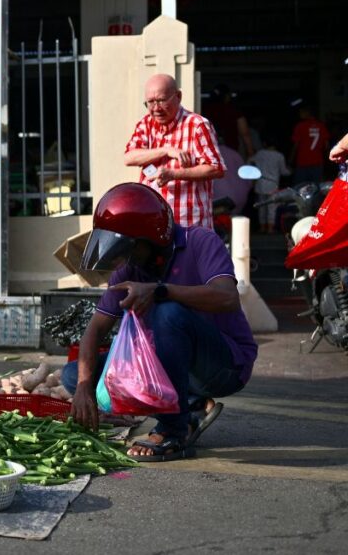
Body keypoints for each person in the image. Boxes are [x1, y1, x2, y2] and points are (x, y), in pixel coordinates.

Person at [63, 183, 257, 461]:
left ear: (150, 239)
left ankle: (173, 431)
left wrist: (160, 290)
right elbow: (96, 329)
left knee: (168, 313)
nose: (123, 260)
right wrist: (83, 388)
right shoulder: (130, 269)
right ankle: (191, 406)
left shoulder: (200, 242)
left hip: (222, 366)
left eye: (127, 249)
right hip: (169, 364)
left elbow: (227, 298)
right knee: (75, 374)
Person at [123, 73, 226, 228]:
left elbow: (216, 168)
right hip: (154, 225)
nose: (156, 108)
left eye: (162, 101)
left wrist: (174, 174)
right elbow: (129, 157)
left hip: (189, 225)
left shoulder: (197, 125)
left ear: (178, 96)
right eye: (150, 102)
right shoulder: (146, 124)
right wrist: (165, 150)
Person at [249, 135, 290, 233]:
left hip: (260, 183)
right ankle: (270, 228)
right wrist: (291, 171)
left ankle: (262, 227)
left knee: (261, 207)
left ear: (264, 144)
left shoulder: (259, 153)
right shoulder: (279, 155)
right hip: (272, 184)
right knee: (272, 207)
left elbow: (250, 160)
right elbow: (284, 171)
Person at [202, 84, 255, 158]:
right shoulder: (234, 111)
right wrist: (251, 154)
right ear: (227, 96)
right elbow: (245, 134)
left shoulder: (204, 111)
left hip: (209, 154)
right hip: (231, 153)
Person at [289, 103, 330, 184]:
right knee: (316, 188)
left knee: (300, 188)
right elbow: (326, 145)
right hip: (317, 162)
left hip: (302, 162)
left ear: (307, 113)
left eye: (301, 112)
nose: (300, 114)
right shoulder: (321, 126)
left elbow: (296, 145)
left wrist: (290, 159)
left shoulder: (300, 126)